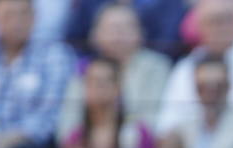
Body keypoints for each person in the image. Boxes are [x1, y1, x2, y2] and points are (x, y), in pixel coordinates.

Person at [154, 0, 233, 142]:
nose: (219, 28)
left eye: (225, 20)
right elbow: (167, 121)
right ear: (200, 28)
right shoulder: (186, 66)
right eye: (212, 22)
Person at [58, 4, 172, 137]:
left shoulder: (156, 67)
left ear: (140, 33)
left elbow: (153, 120)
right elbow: (67, 123)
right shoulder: (84, 68)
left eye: (125, 28)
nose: (118, 35)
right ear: (95, 35)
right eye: (111, 28)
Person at [0, 0, 75, 148]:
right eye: (9, 15)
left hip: (26, 147)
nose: (16, 22)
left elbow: (48, 115)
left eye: (23, 14)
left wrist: (6, 140)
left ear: (34, 17)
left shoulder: (54, 54)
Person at [59, 56, 158, 148]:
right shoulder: (76, 138)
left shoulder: (138, 133)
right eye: (90, 81)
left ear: (118, 87)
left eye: (102, 82)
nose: (95, 88)